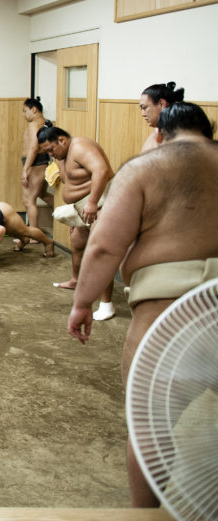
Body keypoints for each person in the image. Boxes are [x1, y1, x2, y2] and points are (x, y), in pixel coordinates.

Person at [66, 101, 217, 508]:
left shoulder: (145, 168)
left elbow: (103, 247)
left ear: (162, 134)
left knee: (151, 424)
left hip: (170, 316)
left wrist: (82, 303)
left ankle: (145, 517)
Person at [39, 125, 117, 319]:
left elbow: (102, 170)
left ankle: (107, 304)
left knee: (100, 251)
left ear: (62, 140)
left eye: (51, 149)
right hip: (83, 208)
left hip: (100, 202)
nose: (50, 154)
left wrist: (91, 203)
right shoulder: (63, 156)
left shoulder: (80, 146)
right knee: (78, 243)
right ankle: (76, 280)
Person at [19, 97, 54, 230]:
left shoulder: (35, 124)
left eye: (25, 111)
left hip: (35, 164)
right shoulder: (45, 122)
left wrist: (25, 169)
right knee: (42, 194)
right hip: (40, 162)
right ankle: (62, 210)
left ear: (34, 109)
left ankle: (33, 234)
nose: (24, 114)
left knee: (29, 200)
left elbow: (34, 147)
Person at [138, 81, 184, 154]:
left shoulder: (179, 135)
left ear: (161, 104)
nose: (143, 114)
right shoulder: (158, 131)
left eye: (144, 107)